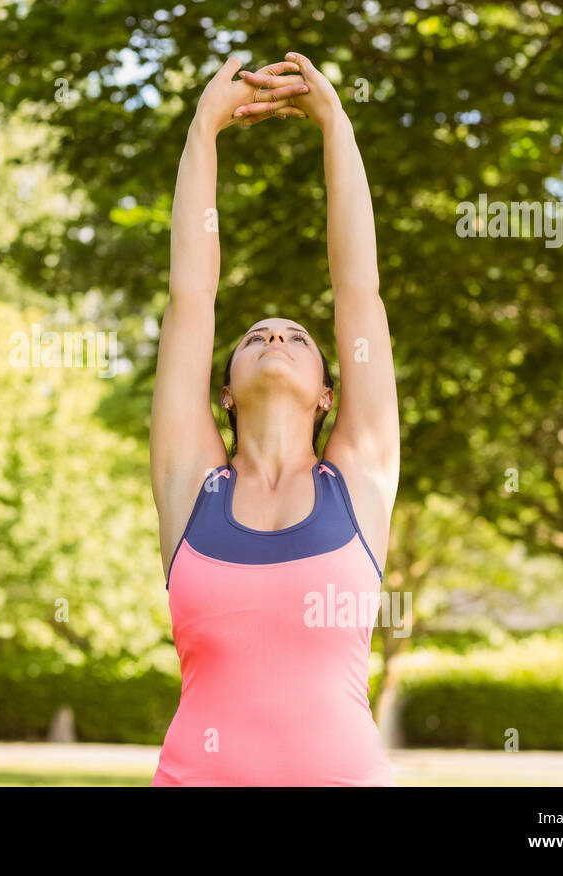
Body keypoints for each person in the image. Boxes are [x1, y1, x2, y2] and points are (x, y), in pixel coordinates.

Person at [149, 51, 399, 786]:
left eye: (296, 336)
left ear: (329, 390)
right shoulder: (190, 482)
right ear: (223, 390)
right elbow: (190, 296)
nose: (275, 338)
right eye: (255, 335)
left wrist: (336, 128)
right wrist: (203, 133)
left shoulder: (358, 475)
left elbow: (360, 291)